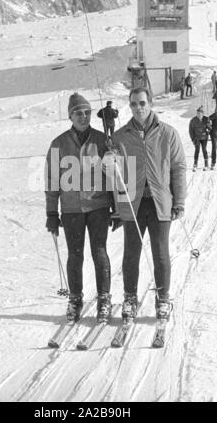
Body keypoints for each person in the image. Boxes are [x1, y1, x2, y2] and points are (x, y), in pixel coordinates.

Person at [108, 87, 187, 322]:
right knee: (131, 253)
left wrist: (179, 201)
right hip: (133, 204)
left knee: (160, 253)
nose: (138, 108)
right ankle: (130, 298)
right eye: (133, 104)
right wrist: (109, 162)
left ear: (150, 103)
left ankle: (163, 299)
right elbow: (115, 176)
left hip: (159, 202)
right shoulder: (120, 137)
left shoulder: (168, 134)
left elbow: (178, 169)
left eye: (142, 103)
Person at [45, 93, 113, 324]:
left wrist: (117, 206)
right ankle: (75, 299)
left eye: (87, 112)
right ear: (70, 116)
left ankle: (104, 298)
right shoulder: (59, 143)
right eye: (78, 113)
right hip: (72, 208)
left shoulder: (102, 140)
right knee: (75, 255)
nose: (83, 117)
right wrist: (52, 213)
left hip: (98, 205)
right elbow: (52, 180)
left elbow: (114, 176)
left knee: (99, 252)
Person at [189, 107, 210, 171]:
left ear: (202, 114)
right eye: (197, 113)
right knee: (197, 150)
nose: (199, 115)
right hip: (197, 138)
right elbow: (190, 130)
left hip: (204, 137)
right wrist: (193, 139)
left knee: (204, 150)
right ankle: (195, 165)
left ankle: (206, 164)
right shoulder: (193, 120)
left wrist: (208, 126)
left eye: (200, 113)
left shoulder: (206, 119)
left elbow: (209, 128)